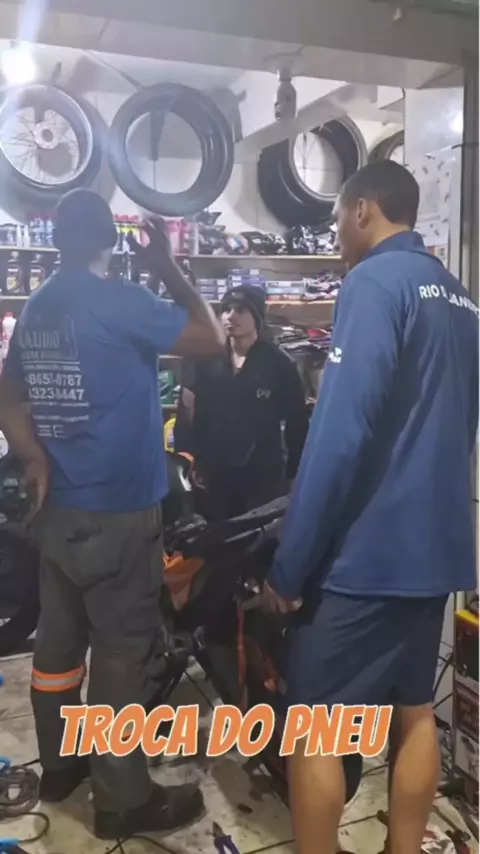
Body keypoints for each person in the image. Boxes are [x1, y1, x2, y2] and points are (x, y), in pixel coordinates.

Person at [263, 161, 479, 854]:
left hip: (367, 557)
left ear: (362, 209)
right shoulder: (461, 297)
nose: (335, 232)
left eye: (336, 217)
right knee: (414, 710)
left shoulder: (372, 283)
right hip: (436, 550)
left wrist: (290, 566)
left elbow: (339, 434)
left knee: (316, 726)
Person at [0, 189, 226, 839]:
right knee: (123, 658)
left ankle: (61, 768)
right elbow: (211, 337)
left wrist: (32, 456)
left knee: (58, 647)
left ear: (57, 241)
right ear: (110, 240)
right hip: (118, 513)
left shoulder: (38, 306)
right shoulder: (122, 300)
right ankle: (123, 798)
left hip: (59, 512)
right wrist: (167, 266)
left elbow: (7, 393)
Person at [174, 284, 309, 520]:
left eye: (241, 310)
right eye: (226, 309)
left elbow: (297, 422)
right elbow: (186, 413)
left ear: (257, 318)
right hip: (213, 470)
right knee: (215, 535)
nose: (231, 316)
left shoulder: (278, 364)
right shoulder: (204, 360)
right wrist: (189, 460)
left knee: (259, 536)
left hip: (263, 475)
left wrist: (294, 473)